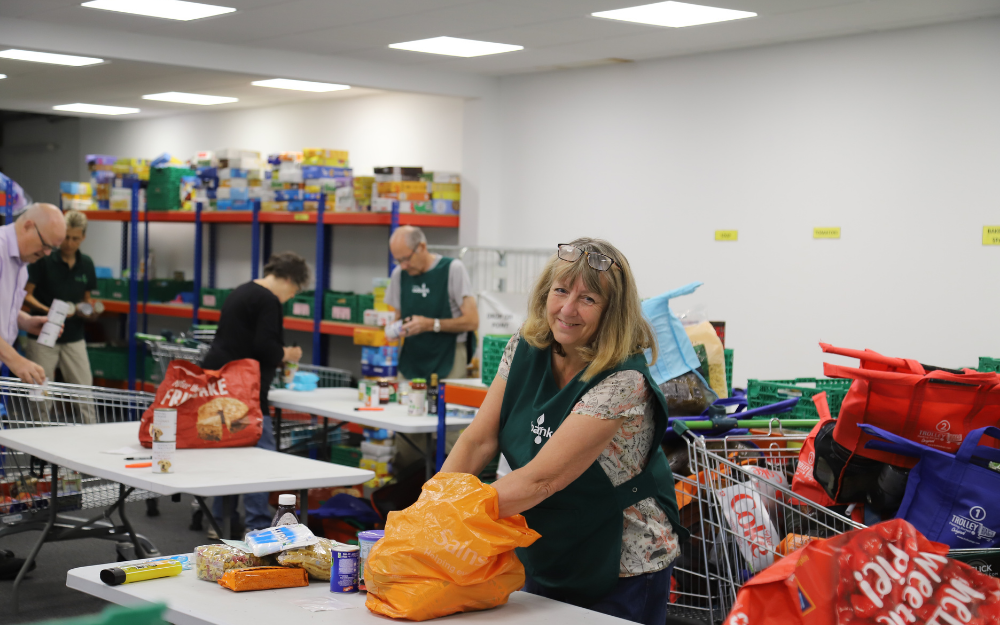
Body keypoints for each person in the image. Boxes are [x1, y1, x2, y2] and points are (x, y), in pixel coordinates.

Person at [441, 238, 687, 625]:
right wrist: (433, 503)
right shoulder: (524, 348)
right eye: (560, 291)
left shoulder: (623, 380)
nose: (567, 309)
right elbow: (478, 439)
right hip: (545, 544)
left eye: (588, 299)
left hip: (620, 560)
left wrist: (449, 516)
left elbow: (542, 480)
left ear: (612, 312)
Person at [200, 252, 307, 536]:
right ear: (287, 279)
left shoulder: (241, 291)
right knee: (261, 458)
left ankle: (220, 521)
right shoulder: (269, 299)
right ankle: (258, 525)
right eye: (294, 291)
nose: (289, 297)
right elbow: (265, 347)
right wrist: (289, 353)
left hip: (221, 385)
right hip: (246, 393)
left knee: (230, 455)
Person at [0, 202, 66, 580]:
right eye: (44, 246)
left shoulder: (21, 260)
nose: (45, 255)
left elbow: (6, 314)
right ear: (27, 226)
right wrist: (17, 361)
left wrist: (28, 320)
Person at [384, 225, 478, 381]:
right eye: (398, 260)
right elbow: (398, 316)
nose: (403, 266)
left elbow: (472, 321)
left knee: (446, 404)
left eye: (406, 259)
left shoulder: (452, 269)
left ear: (421, 247)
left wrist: (430, 324)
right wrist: (394, 330)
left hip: (449, 359)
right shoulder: (399, 275)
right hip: (411, 361)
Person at [23, 210, 100, 387]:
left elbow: (86, 300)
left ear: (83, 237)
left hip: (74, 336)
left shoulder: (86, 264)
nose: (69, 243)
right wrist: (47, 311)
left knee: (85, 392)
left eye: (75, 238)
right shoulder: (44, 259)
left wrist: (89, 312)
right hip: (43, 335)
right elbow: (26, 295)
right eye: (66, 237)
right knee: (40, 395)